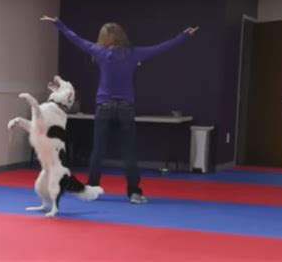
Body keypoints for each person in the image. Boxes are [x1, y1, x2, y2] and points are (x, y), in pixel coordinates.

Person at [41, 15, 198, 204]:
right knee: (129, 152)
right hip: (126, 107)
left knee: (98, 150)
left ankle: (91, 189)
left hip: (104, 106)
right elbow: (160, 48)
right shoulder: (132, 53)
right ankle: (134, 192)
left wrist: (58, 24)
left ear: (105, 38)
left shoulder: (99, 51)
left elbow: (75, 38)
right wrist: (183, 36)